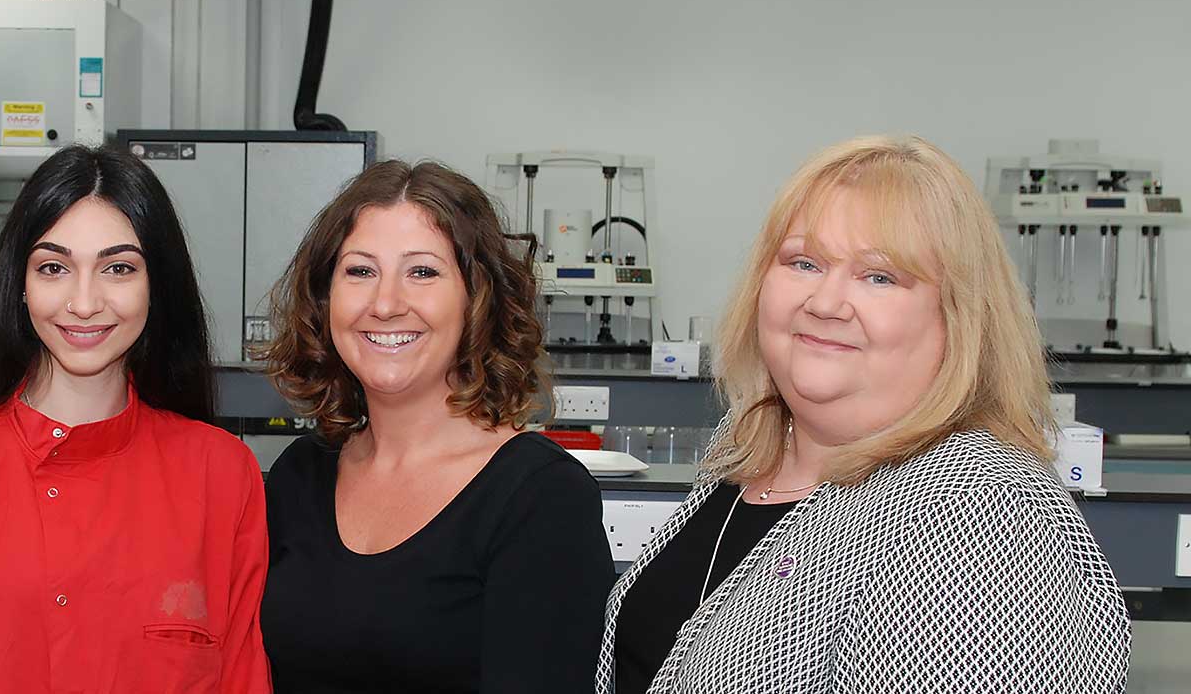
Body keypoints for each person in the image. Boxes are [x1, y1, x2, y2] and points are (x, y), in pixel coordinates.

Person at [597, 135, 1130, 693]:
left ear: (958, 317)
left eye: (880, 276)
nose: (825, 303)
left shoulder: (981, 519)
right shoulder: (750, 448)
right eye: (804, 262)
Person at [0, 145, 270, 693]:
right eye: (54, 267)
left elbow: (240, 677)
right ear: (20, 286)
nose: (83, 302)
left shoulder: (222, 474)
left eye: (118, 268)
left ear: (157, 287)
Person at [258, 160, 613, 692]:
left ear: (478, 299)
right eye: (360, 271)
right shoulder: (301, 475)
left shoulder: (541, 498)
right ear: (325, 298)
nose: (385, 304)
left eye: (422, 272)